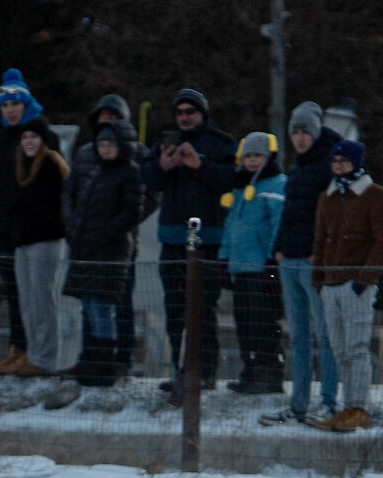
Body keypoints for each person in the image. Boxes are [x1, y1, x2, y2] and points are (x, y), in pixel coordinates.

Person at [148, 87, 237, 404]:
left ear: (202, 113)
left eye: (190, 112)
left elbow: (231, 180)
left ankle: (204, 371)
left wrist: (201, 166)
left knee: (202, 308)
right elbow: (148, 181)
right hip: (172, 238)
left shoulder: (222, 143)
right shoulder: (164, 144)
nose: (185, 118)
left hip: (207, 240)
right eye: (180, 112)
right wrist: (162, 167)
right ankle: (181, 370)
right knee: (175, 309)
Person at [307, 139, 383, 432]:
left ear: (356, 162)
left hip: (356, 284)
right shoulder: (328, 197)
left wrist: (365, 279)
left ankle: (358, 408)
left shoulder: (375, 195)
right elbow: (320, 239)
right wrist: (318, 279)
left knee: (357, 348)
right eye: (334, 162)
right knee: (339, 349)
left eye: (343, 161)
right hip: (330, 284)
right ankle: (346, 407)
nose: (338, 166)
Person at [264, 102, 337, 426]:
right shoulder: (296, 167)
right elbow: (290, 211)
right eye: (295, 131)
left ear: (316, 132)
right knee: (298, 337)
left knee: (325, 333)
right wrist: (278, 248)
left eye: (305, 131)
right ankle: (298, 405)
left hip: (312, 261)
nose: (300, 137)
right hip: (289, 258)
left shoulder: (328, 164)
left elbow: (329, 217)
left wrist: (318, 253)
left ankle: (329, 402)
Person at [62, 121, 144, 387]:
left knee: (102, 306)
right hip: (87, 249)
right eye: (102, 145)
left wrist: (106, 233)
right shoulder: (95, 171)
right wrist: (75, 232)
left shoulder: (129, 173)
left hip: (110, 251)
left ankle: (104, 360)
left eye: (110, 145)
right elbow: (78, 204)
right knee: (88, 304)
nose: (106, 149)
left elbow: (131, 212)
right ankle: (92, 358)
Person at [0, 68, 46, 375]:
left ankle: (35, 351)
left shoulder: (39, 133)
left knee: (34, 295)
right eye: (5, 106)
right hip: (4, 231)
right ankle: (17, 349)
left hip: (32, 231)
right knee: (13, 293)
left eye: (15, 104)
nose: (10, 110)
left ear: (26, 104)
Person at [219, 132, 286, 394]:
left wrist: (272, 259)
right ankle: (250, 370)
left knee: (265, 320)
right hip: (241, 268)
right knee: (244, 321)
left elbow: (278, 225)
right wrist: (224, 260)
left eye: (257, 155)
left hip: (263, 268)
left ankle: (270, 372)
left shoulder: (277, 185)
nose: (252, 161)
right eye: (248, 155)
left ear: (267, 157)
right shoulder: (240, 189)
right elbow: (230, 227)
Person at [9, 119, 72, 376]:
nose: (29, 142)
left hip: (47, 240)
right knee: (27, 302)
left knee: (43, 302)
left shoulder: (52, 165)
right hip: (24, 241)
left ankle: (45, 359)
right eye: (25, 138)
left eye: (34, 137)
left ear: (43, 140)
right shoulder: (19, 165)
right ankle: (33, 354)